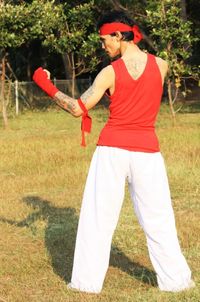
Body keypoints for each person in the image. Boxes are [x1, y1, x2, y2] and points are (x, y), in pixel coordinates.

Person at [33, 10, 194, 294]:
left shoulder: (109, 73)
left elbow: (77, 109)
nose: (102, 45)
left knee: (98, 218)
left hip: (112, 151)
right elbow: (141, 93)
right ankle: (177, 282)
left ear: (119, 36)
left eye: (104, 39)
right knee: (159, 219)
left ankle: (85, 284)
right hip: (147, 152)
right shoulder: (162, 65)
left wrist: (44, 82)